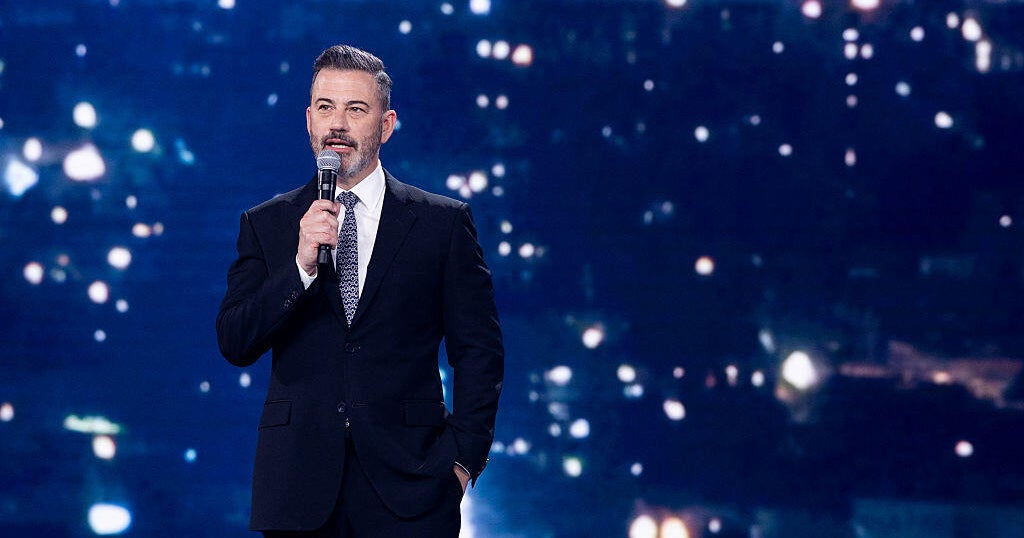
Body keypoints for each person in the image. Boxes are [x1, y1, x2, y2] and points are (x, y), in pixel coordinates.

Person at [216, 44, 504, 537]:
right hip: (297, 489)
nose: (337, 124)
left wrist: (461, 462)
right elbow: (235, 340)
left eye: (355, 109)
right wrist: (300, 266)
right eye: (325, 107)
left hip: (413, 487)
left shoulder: (441, 224)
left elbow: (479, 351)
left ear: (386, 125)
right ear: (308, 119)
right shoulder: (268, 224)